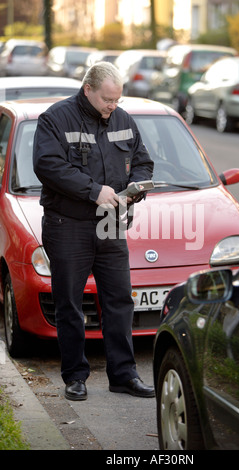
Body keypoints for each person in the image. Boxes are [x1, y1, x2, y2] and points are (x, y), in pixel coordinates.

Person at [33, 62, 154, 401]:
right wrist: (93, 190)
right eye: (107, 99)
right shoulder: (55, 119)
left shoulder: (124, 120)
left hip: (111, 223)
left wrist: (136, 186)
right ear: (88, 89)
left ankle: (124, 374)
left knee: (118, 300)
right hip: (67, 224)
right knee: (69, 303)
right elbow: (47, 165)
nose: (112, 106)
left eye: (117, 99)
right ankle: (75, 376)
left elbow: (142, 160)